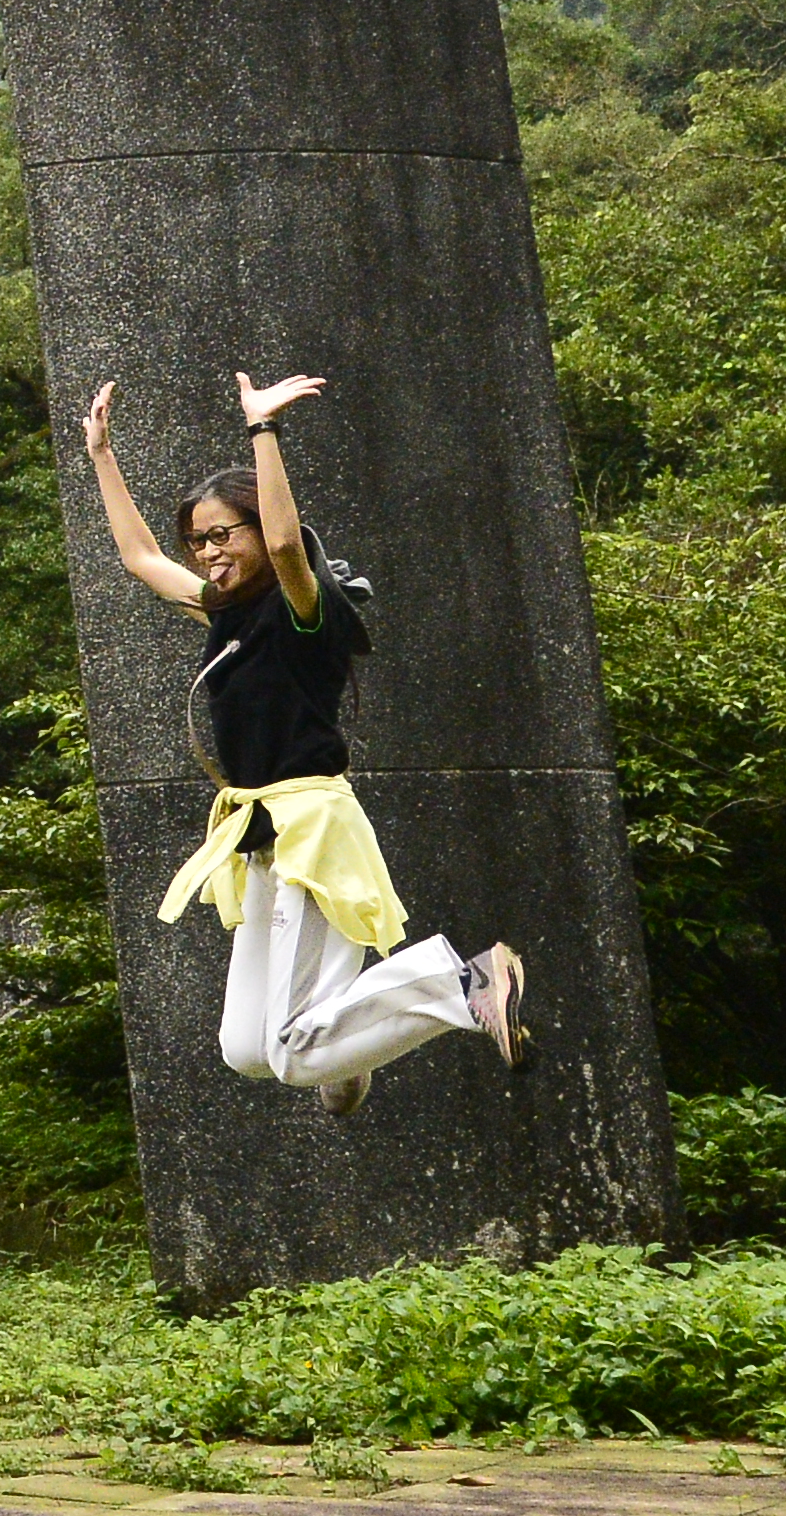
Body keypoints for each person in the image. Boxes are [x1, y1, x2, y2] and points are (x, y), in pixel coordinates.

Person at [75, 368, 525, 1111]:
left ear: (253, 528)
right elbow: (141, 560)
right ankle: (348, 1038)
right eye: (199, 541)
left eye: (222, 534)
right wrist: (101, 456)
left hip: (311, 829)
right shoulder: (225, 616)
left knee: (288, 1053)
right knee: (246, 1050)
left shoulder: (300, 610)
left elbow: (287, 547)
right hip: (258, 839)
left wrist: (263, 430)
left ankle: (464, 982)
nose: (207, 552)